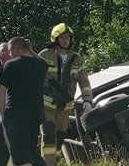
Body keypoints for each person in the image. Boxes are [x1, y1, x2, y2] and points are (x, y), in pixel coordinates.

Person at [0, 35, 59, 166]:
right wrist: (31, 50)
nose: (10, 54)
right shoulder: (40, 64)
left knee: (20, 154)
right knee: (29, 151)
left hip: (15, 113)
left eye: (11, 51)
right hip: (35, 114)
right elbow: (40, 61)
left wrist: (2, 114)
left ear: (16, 49)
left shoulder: (10, 65)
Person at [39, 23, 93, 153]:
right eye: (62, 38)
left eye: (68, 38)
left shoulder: (76, 58)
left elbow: (84, 81)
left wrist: (87, 100)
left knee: (60, 137)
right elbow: (34, 78)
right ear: (55, 39)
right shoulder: (45, 55)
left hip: (65, 105)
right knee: (49, 134)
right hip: (47, 104)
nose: (65, 40)